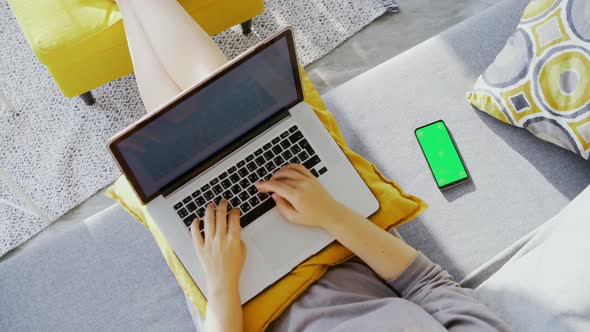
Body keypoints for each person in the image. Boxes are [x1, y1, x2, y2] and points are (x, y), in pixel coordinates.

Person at [115, 1, 509, 331]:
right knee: (232, 113)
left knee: (183, 150)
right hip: (341, 244)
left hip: (242, 301)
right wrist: (331, 214)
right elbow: (424, 283)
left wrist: (221, 284)